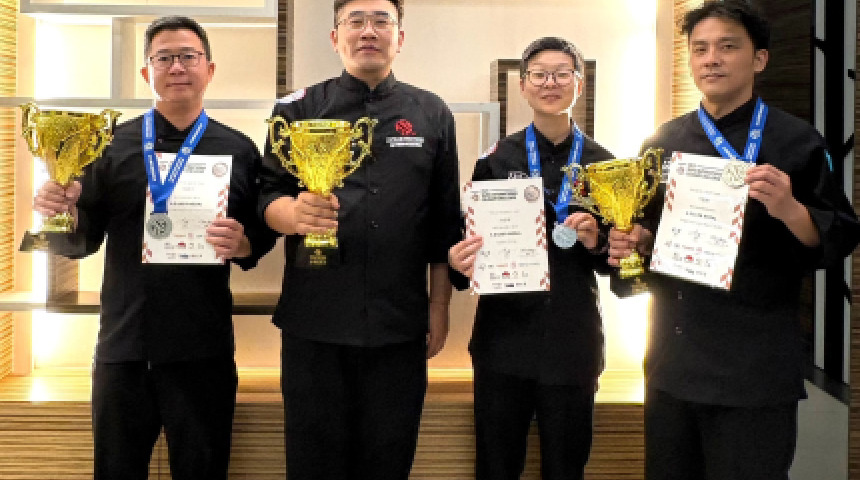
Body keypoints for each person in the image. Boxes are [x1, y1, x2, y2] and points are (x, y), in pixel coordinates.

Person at [607, 2, 860, 479]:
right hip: (673, 360)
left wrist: (789, 208)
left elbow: (838, 235)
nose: (712, 59)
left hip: (756, 365)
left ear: (759, 58)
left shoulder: (797, 140)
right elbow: (646, 232)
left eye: (727, 46)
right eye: (700, 49)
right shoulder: (661, 142)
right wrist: (634, 241)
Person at [32, 16, 276, 480]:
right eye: (164, 58)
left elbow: (260, 233)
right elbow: (82, 241)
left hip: (203, 349)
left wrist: (244, 243)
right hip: (124, 346)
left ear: (209, 69)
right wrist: (61, 209)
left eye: (188, 56)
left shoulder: (239, 149)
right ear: (146, 73)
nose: (177, 67)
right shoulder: (108, 146)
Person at [257, 0, 461, 479]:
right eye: (356, 21)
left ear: (399, 37)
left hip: (399, 323)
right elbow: (265, 195)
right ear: (336, 37)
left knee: (389, 460)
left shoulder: (431, 112)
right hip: (314, 321)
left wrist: (439, 307)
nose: (369, 31)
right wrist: (293, 215)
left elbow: (443, 220)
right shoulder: (296, 109)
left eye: (381, 21)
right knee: (312, 463)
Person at [448, 37, 613, 480]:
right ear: (523, 86)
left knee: (566, 469)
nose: (550, 83)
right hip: (503, 342)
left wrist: (597, 241)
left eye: (562, 74)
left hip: (572, 340)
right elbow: (469, 248)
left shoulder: (604, 165)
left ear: (579, 84)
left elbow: (615, 263)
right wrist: (460, 262)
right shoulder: (496, 160)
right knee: (496, 468)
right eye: (539, 75)